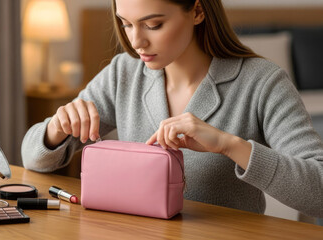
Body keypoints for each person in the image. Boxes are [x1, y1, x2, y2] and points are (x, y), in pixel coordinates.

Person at [22, 0, 323, 218]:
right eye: (126, 24)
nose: (136, 41)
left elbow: (319, 191)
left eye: (153, 25)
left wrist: (229, 145)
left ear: (197, 10)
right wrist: (55, 129)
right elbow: (31, 158)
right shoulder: (124, 72)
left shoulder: (262, 82)